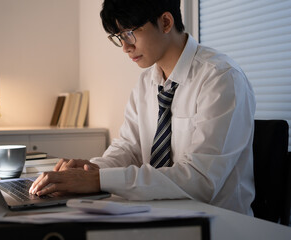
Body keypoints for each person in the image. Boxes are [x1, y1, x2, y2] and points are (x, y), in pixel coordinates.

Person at [30, 0, 256, 215]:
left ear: (166, 22)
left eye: (130, 33)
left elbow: (200, 180)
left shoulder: (221, 78)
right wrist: (90, 171)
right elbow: (129, 148)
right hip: (153, 213)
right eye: (119, 37)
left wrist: (98, 180)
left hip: (218, 223)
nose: (126, 47)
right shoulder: (146, 82)